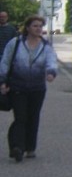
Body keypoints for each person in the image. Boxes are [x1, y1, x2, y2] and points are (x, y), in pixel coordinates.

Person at [0, 15, 59, 163]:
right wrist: (2, 81)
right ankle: (17, 148)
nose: (38, 29)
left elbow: (51, 61)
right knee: (20, 117)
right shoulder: (16, 43)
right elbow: (5, 62)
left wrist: (51, 72)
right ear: (27, 28)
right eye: (35, 26)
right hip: (17, 86)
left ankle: (30, 147)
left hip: (37, 88)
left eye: (40, 26)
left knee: (33, 117)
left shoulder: (46, 46)